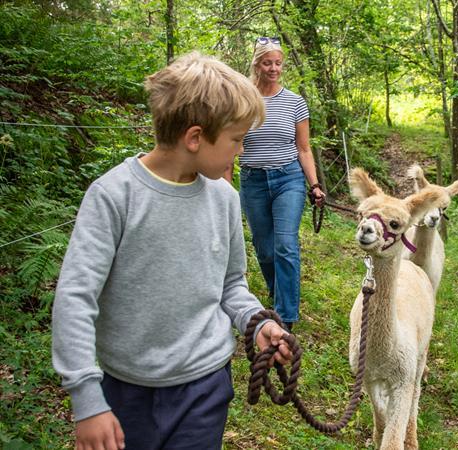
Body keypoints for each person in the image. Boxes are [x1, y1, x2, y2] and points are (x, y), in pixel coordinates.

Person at [51, 52, 292, 450]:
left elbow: (231, 284)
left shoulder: (224, 198)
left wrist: (256, 322)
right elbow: (76, 298)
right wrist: (86, 398)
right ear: (195, 137)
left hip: (205, 387)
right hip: (126, 390)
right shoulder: (114, 196)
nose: (241, 151)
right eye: (236, 139)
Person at [227, 36, 325, 332]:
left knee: (285, 245)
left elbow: (304, 148)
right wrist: (224, 186)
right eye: (268, 63)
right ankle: (277, 292)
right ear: (257, 64)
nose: (273, 68)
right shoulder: (243, 101)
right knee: (265, 249)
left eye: (278, 63)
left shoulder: (295, 102)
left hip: (288, 179)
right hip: (253, 181)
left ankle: (285, 316)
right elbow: (231, 146)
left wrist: (314, 185)